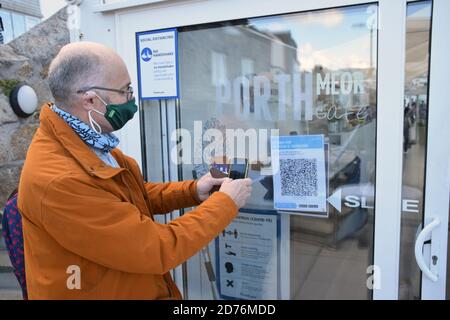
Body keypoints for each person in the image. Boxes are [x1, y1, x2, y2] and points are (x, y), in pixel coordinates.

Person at [17, 42, 252, 300]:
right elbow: (156, 249)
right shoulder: (60, 180)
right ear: (91, 100)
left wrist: (193, 190)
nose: (131, 99)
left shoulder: (90, 141)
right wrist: (225, 203)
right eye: (125, 90)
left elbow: (129, 197)